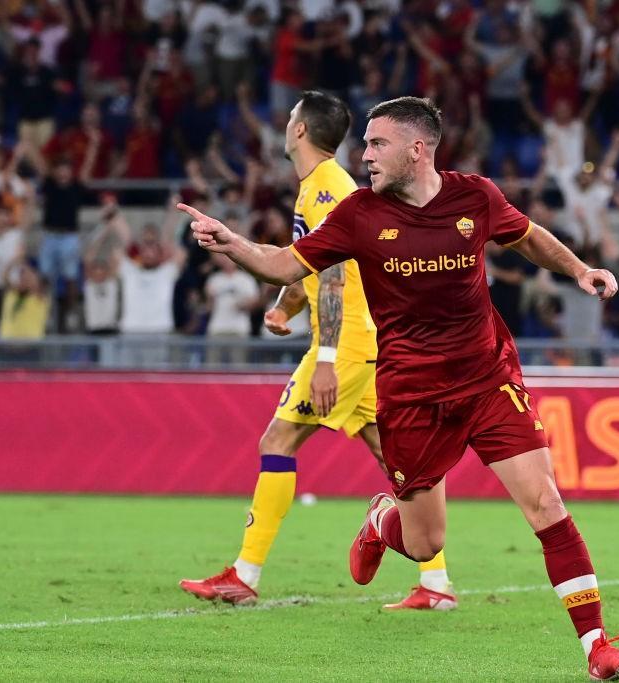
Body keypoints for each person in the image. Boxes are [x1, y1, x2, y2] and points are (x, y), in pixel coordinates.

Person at [178, 96, 619, 680]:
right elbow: (284, 266)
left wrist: (580, 269)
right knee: (424, 544)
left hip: (487, 378)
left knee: (545, 502)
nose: (365, 154)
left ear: (417, 149)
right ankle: (382, 521)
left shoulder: (474, 196)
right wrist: (231, 244)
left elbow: (526, 236)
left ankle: (597, 647)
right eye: (365, 143)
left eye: (377, 144)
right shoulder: (356, 213)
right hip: (410, 392)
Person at [179, 92, 458, 612]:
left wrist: (326, 357)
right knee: (393, 456)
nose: (284, 126)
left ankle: (244, 574)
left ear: (301, 130)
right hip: (365, 341)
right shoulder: (321, 186)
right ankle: (437, 584)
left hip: (347, 344)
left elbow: (331, 274)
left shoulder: (327, 187)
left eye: (288, 119)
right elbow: (313, 260)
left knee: (277, 440)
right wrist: (286, 306)